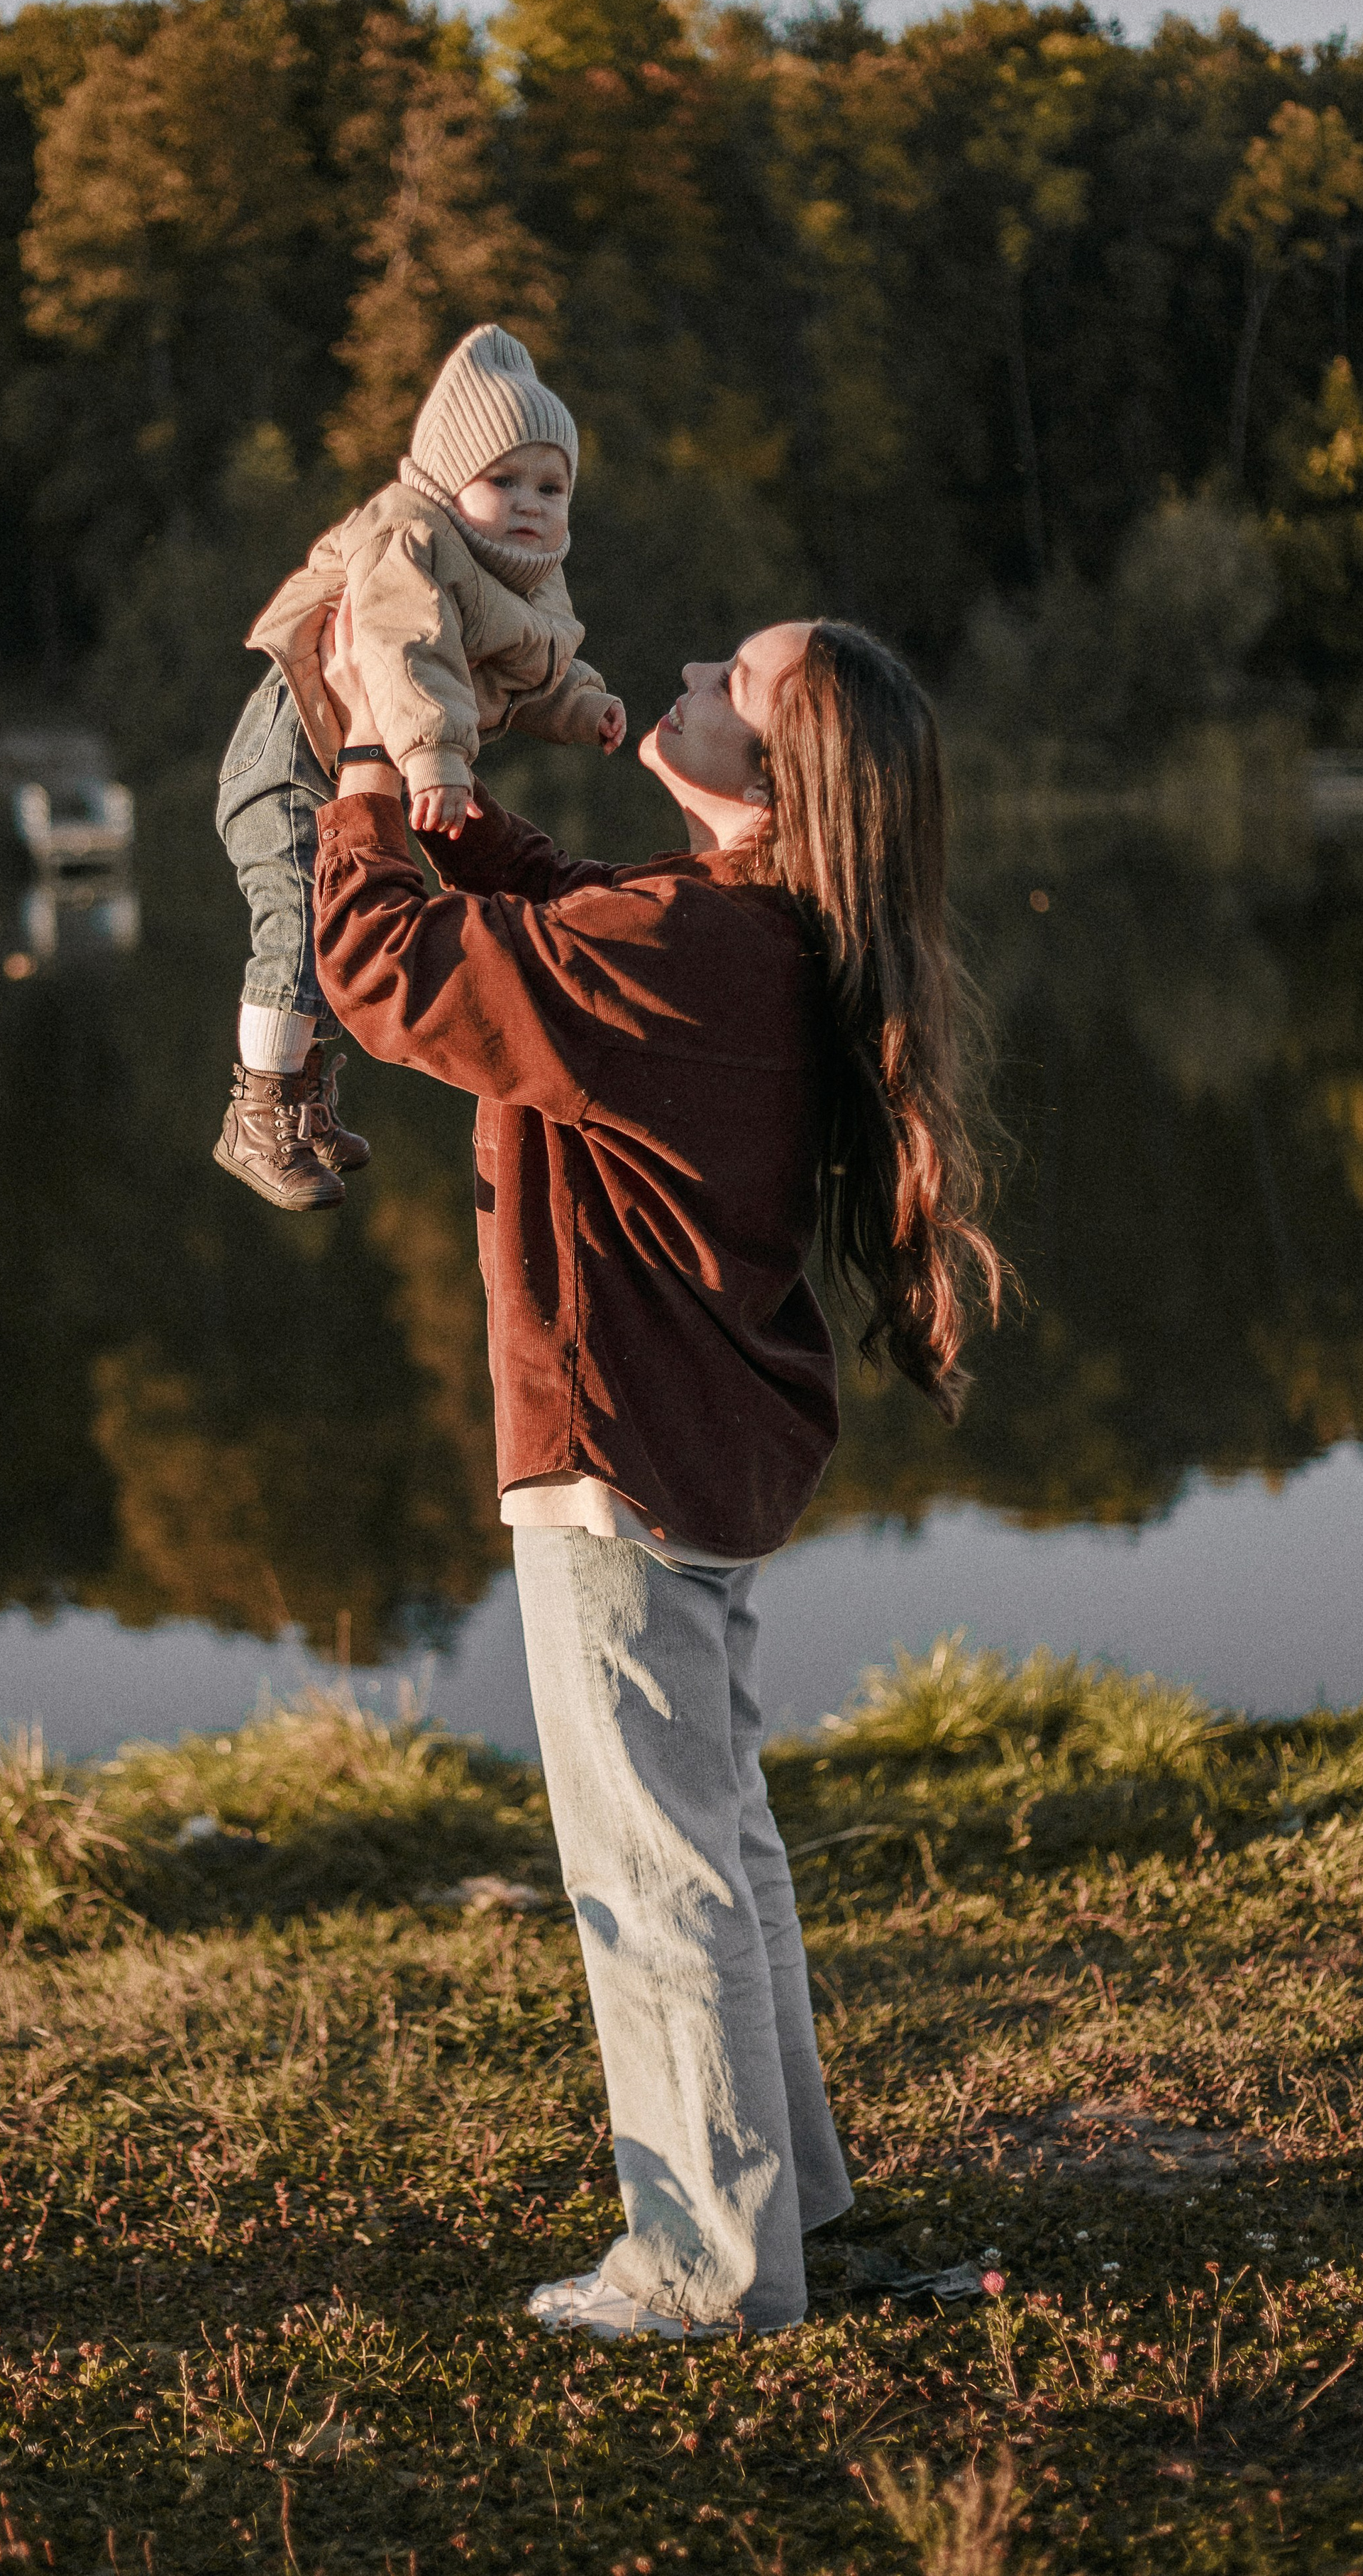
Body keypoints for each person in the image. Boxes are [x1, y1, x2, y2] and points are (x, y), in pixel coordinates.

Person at [311, 615, 1000, 2338]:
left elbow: (392, 974)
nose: (687, 670)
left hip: (618, 1447)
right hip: (693, 1443)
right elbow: (548, 917)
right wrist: (456, 812)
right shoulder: (740, 930)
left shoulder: (692, 942)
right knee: (721, 1837)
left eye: (729, 682)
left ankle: (702, 2266)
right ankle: (793, 2190)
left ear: (775, 775)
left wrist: (370, 777)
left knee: (649, 1862)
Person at [213, 325, 624, 1212]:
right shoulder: (408, 537)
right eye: (502, 481)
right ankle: (257, 1108)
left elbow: (529, 672)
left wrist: (584, 706)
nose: (530, 504)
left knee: (336, 931)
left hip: (365, 763)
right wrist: (435, 753)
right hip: (296, 748)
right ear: (445, 483)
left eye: (550, 487)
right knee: (296, 922)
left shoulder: (522, 578)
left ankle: (308, 1102)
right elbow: (404, 653)